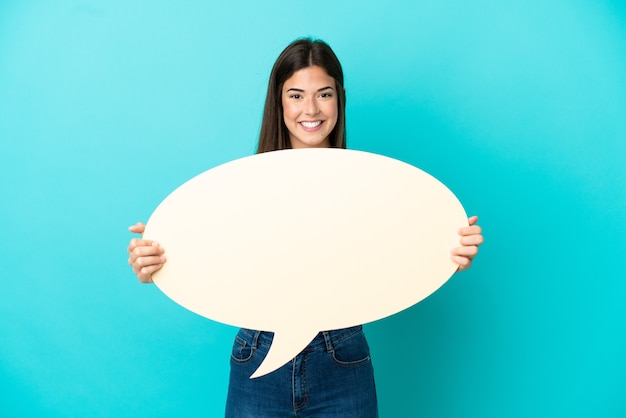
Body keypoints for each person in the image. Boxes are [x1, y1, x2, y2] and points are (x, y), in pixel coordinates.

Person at [127, 38, 484, 417]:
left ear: (340, 98)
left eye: (323, 94)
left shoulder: (373, 188)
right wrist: (159, 262)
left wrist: (447, 254)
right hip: (258, 358)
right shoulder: (240, 190)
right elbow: (214, 256)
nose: (310, 109)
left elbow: (390, 256)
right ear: (278, 101)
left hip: (342, 360)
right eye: (296, 95)